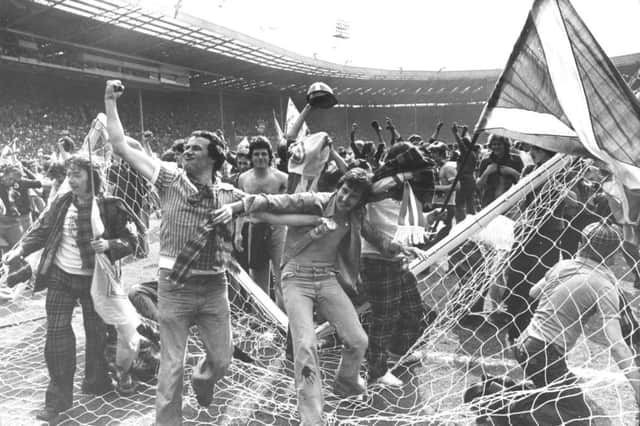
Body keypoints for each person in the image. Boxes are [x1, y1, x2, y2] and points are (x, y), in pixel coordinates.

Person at [210, 167, 412, 426]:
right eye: (345, 190)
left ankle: (346, 384)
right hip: (296, 279)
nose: (346, 198)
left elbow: (376, 237)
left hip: (327, 279)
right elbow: (273, 201)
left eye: (353, 196)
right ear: (339, 187)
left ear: (360, 202)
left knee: (358, 340)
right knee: (305, 345)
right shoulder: (314, 200)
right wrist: (236, 208)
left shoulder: (356, 214)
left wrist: (401, 248)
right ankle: (312, 419)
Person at [104, 79, 245, 426]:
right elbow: (121, 145)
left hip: (214, 287)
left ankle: (204, 379)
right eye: (187, 148)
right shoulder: (168, 178)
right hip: (175, 286)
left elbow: (265, 208)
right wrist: (110, 101)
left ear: (214, 157)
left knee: (222, 360)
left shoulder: (229, 194)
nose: (187, 151)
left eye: (196, 148)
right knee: (172, 363)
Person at [2, 154, 138, 422]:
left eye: (77, 175)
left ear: (92, 177)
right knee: (56, 337)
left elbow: (133, 239)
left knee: (98, 333)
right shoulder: (62, 202)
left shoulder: (110, 206)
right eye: (69, 175)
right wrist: (20, 248)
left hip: (96, 281)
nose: (70, 180)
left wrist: (111, 245)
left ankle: (97, 381)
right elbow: (41, 231)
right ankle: (57, 400)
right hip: (61, 277)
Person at [516, 221, 640, 423]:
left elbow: (533, 293)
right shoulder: (604, 286)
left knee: (554, 395)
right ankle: (500, 410)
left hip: (525, 342)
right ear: (613, 255)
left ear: (582, 243)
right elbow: (618, 346)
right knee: (577, 416)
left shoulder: (563, 265)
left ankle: (495, 388)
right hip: (543, 354)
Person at [237, 136, 288, 306]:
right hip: (255, 227)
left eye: (264, 154)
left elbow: (289, 204)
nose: (260, 158)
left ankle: (286, 318)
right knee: (258, 276)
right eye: (257, 154)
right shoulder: (244, 179)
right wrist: (238, 233)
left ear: (270, 156)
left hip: (278, 228)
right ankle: (265, 319)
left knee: (281, 274)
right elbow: (241, 208)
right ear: (251, 157)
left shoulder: (281, 178)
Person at [476, 134, 523, 208]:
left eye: (499, 144)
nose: (496, 147)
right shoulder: (485, 161)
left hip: (510, 203)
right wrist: (487, 172)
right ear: (490, 146)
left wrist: (512, 172)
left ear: (505, 145)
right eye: (494, 144)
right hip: (489, 204)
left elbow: (523, 182)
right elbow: (478, 186)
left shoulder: (516, 160)